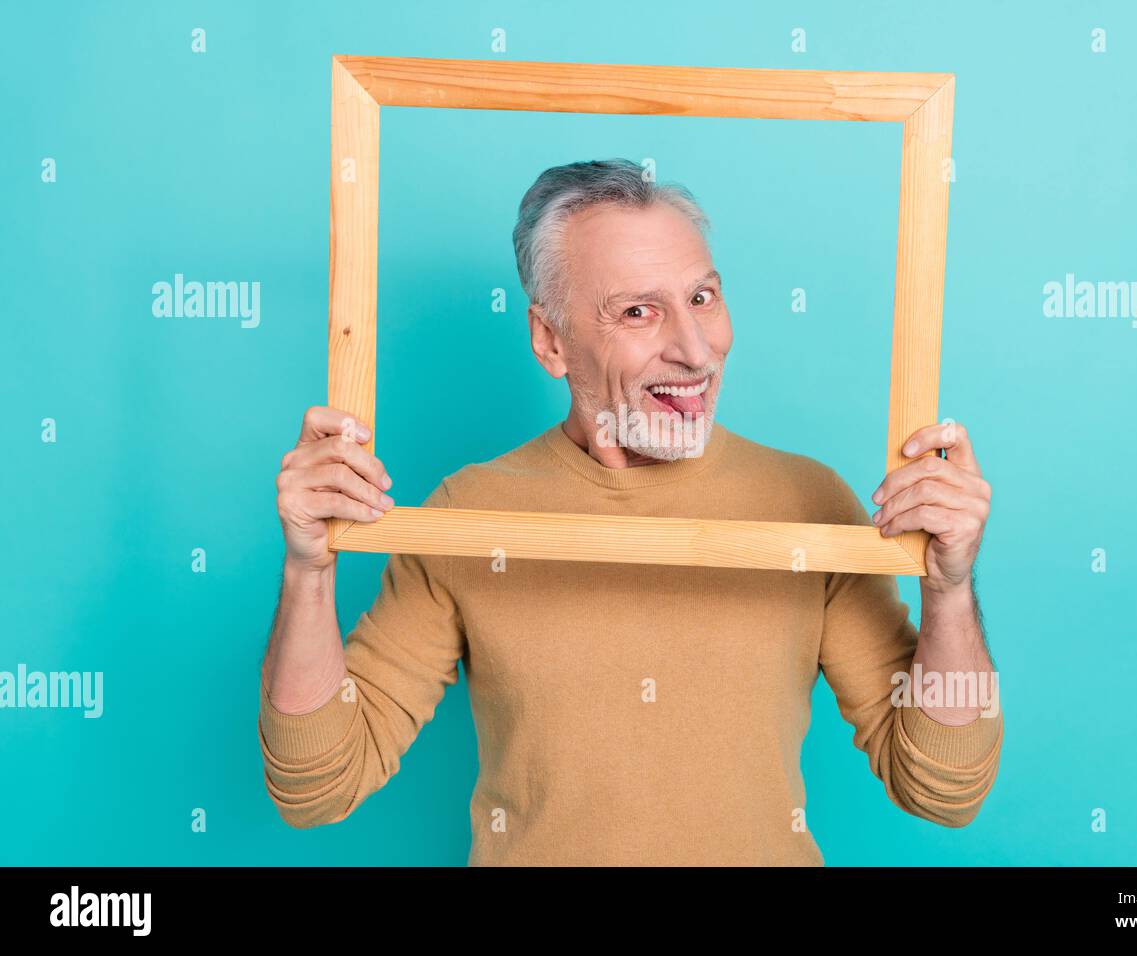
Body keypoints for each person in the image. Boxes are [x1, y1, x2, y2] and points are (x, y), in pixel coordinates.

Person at [258, 158, 1002, 865]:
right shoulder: (469, 516)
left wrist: (949, 589)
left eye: (702, 298)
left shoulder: (808, 504)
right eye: (639, 311)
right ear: (551, 340)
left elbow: (941, 786)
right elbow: (317, 785)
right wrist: (308, 570)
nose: (694, 349)